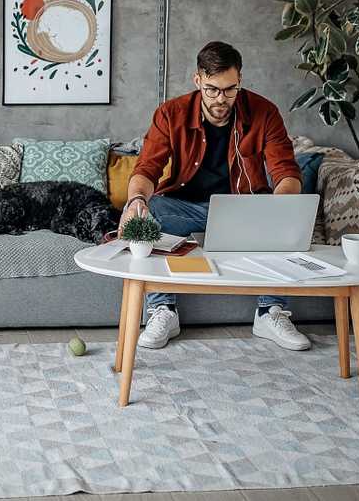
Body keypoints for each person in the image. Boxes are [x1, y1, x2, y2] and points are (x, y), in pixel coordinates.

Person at [118, 41, 308, 351]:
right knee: (151, 209)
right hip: (186, 208)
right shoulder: (171, 113)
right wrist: (137, 199)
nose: (221, 99)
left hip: (245, 208)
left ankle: (269, 311)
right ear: (198, 81)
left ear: (240, 81)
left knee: (281, 213)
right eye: (212, 90)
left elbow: (286, 172)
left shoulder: (264, 112)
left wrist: (280, 207)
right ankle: (162, 309)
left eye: (229, 89)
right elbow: (147, 169)